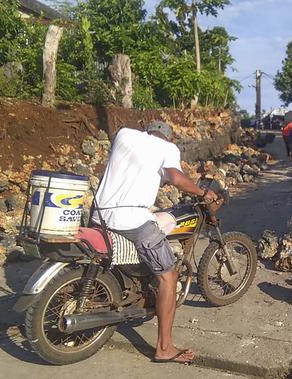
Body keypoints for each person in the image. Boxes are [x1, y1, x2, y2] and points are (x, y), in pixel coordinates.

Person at [93, 121, 217, 365]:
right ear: (168, 138)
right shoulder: (167, 149)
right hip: (131, 220)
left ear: (148, 131)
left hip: (100, 215)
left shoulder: (124, 135)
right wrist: (202, 193)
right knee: (168, 276)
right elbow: (174, 177)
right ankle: (165, 347)